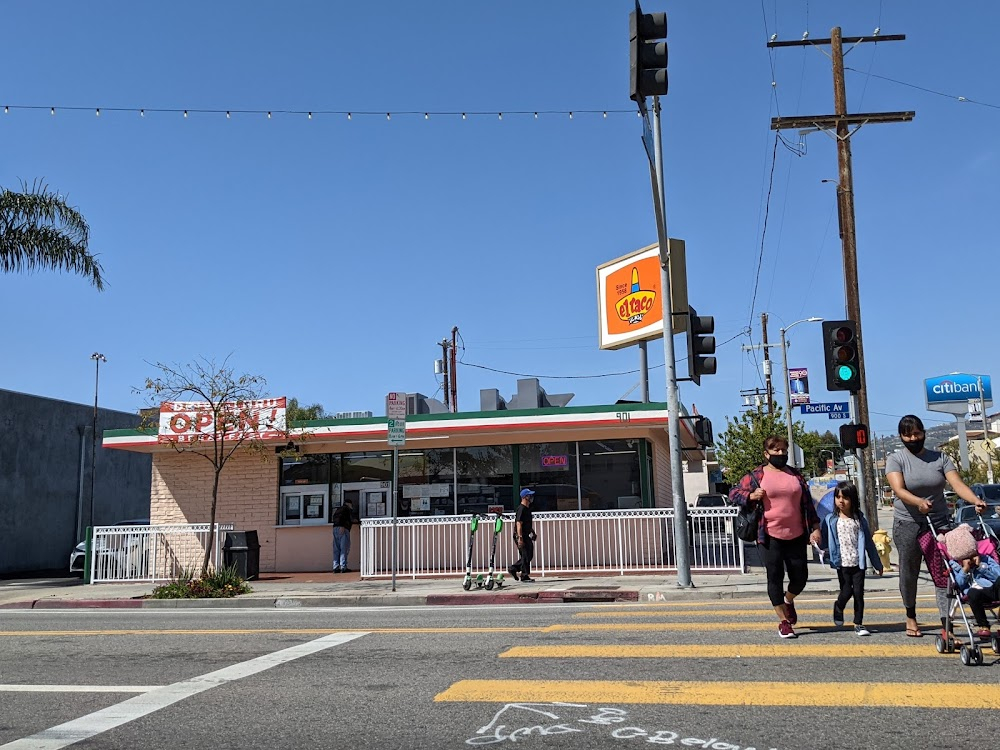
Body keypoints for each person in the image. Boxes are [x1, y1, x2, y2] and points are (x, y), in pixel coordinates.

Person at [885, 414, 986, 639]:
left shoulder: (940, 458)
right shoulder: (896, 459)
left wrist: (975, 500)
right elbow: (899, 490)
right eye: (907, 435)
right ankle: (910, 615)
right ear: (901, 437)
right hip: (908, 523)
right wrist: (918, 502)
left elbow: (957, 484)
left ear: (924, 433)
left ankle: (946, 623)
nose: (913, 438)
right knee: (909, 572)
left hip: (939, 522)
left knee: (944, 573)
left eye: (917, 433)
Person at [730, 435, 822, 639]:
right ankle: (784, 622)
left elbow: (807, 504)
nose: (781, 454)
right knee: (775, 577)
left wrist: (815, 527)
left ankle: (788, 601)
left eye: (783, 450)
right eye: (776, 451)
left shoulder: (796, 476)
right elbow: (733, 493)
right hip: (768, 535)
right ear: (766, 454)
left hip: (797, 534)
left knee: (800, 578)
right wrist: (750, 496)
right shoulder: (756, 476)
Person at [820, 482, 884, 636]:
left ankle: (859, 623)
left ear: (853, 500)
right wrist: (816, 542)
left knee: (858, 594)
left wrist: (877, 564)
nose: (841, 501)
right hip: (841, 563)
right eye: (838, 497)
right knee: (846, 591)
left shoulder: (859, 520)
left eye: (845, 498)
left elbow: (868, 543)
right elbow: (822, 537)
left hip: (858, 563)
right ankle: (838, 606)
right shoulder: (831, 520)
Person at [508, 488, 537, 583]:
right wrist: (520, 538)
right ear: (525, 497)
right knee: (525, 555)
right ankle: (523, 575)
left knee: (529, 555)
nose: (531, 497)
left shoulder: (528, 509)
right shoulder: (521, 509)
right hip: (520, 535)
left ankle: (514, 569)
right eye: (529, 495)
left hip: (526, 534)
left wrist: (533, 532)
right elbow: (519, 523)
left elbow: (527, 523)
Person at [331, 498, 354, 573]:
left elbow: (335, 518)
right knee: (344, 548)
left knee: (336, 549)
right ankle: (343, 567)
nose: (352, 506)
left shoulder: (338, 509)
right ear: (348, 504)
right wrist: (342, 526)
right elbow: (343, 518)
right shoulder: (346, 509)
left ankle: (335, 567)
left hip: (335, 528)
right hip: (343, 529)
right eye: (351, 504)